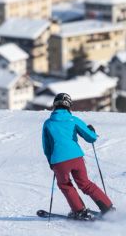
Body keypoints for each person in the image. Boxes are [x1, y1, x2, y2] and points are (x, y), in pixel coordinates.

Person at [41, 92, 114, 220]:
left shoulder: (48, 123)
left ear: (54, 106)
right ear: (69, 106)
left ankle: (79, 211)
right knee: (85, 183)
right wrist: (92, 131)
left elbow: (46, 147)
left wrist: (51, 162)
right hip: (76, 158)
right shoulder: (74, 120)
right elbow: (91, 138)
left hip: (59, 161)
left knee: (65, 185)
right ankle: (107, 207)